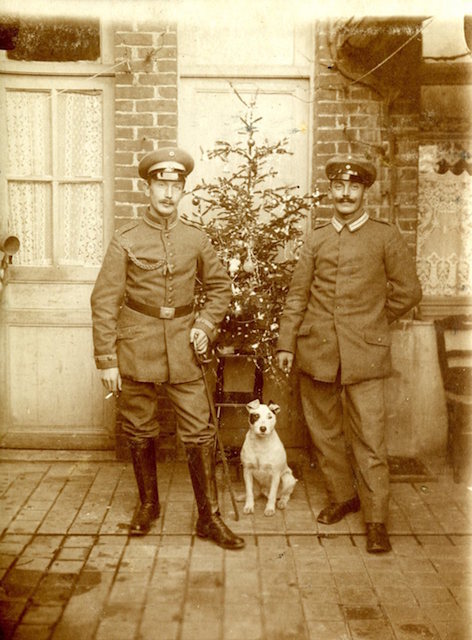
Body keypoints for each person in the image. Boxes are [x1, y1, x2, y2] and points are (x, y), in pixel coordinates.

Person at [91, 147, 244, 550]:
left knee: (198, 430)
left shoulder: (195, 238)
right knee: (139, 427)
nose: (168, 193)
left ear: (182, 190)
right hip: (137, 344)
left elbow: (219, 289)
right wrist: (106, 359)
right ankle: (147, 505)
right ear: (147, 187)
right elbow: (104, 300)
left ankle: (208, 518)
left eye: (176, 185)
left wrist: (205, 326)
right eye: (161, 184)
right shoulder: (125, 239)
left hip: (184, 346)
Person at [276, 154, 422, 553]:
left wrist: (374, 321)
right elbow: (297, 295)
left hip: (365, 355)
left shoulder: (384, 236)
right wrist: (286, 342)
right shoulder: (316, 238)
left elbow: (409, 292)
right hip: (318, 349)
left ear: (364, 192)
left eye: (353, 187)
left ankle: (376, 518)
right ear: (331, 191)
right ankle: (343, 496)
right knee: (324, 431)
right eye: (339, 186)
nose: (345, 193)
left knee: (371, 437)